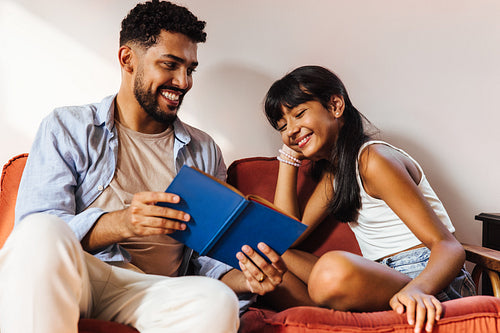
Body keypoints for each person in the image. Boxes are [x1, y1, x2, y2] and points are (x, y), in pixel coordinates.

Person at [0, 1, 286, 332]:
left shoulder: (204, 150)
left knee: (215, 300)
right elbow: (37, 236)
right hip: (80, 274)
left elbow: (206, 262)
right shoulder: (68, 127)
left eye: (190, 69)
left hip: (150, 291)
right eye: (170, 65)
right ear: (127, 59)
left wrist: (249, 278)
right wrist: (122, 223)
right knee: (41, 231)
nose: (183, 81)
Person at [261, 65, 476, 333]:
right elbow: (287, 235)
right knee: (271, 253)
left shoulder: (373, 160)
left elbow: (449, 247)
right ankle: (333, 321)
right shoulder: (335, 173)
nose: (291, 130)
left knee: (330, 271)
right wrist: (288, 160)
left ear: (335, 105)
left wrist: (418, 289)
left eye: (299, 114)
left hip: (427, 276)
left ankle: (340, 319)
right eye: (282, 126)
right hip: (381, 277)